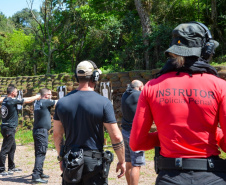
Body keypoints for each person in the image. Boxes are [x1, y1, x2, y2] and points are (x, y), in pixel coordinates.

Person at [130, 21, 226, 184]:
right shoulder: (220, 86)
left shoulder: (151, 87)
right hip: (211, 177)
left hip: (169, 177)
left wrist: (169, 134)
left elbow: (137, 142)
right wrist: (213, 133)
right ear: (206, 51)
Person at [53, 60, 126, 185]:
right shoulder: (103, 103)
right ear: (95, 77)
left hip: (71, 160)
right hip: (94, 163)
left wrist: (61, 158)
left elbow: (57, 135)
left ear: (77, 77)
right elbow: (116, 136)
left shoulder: (62, 103)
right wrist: (122, 160)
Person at [0, 84, 41, 176]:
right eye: (16, 91)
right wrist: (37, 97)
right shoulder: (12, 101)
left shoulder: (5, 99)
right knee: (5, 149)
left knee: (12, 147)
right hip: (9, 128)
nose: (17, 92)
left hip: (6, 127)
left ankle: (11, 167)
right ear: (13, 92)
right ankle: (1, 169)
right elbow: (28, 100)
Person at [121, 80, 145, 185]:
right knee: (136, 165)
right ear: (140, 87)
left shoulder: (124, 95)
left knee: (129, 163)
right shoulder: (139, 95)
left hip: (125, 131)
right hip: (135, 134)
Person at [32, 88, 57, 184]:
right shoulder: (45, 102)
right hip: (41, 132)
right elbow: (58, 102)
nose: (51, 96)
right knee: (41, 153)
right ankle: (36, 176)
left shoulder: (37, 103)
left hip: (37, 131)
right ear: (46, 95)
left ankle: (40, 172)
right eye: (50, 94)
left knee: (39, 152)